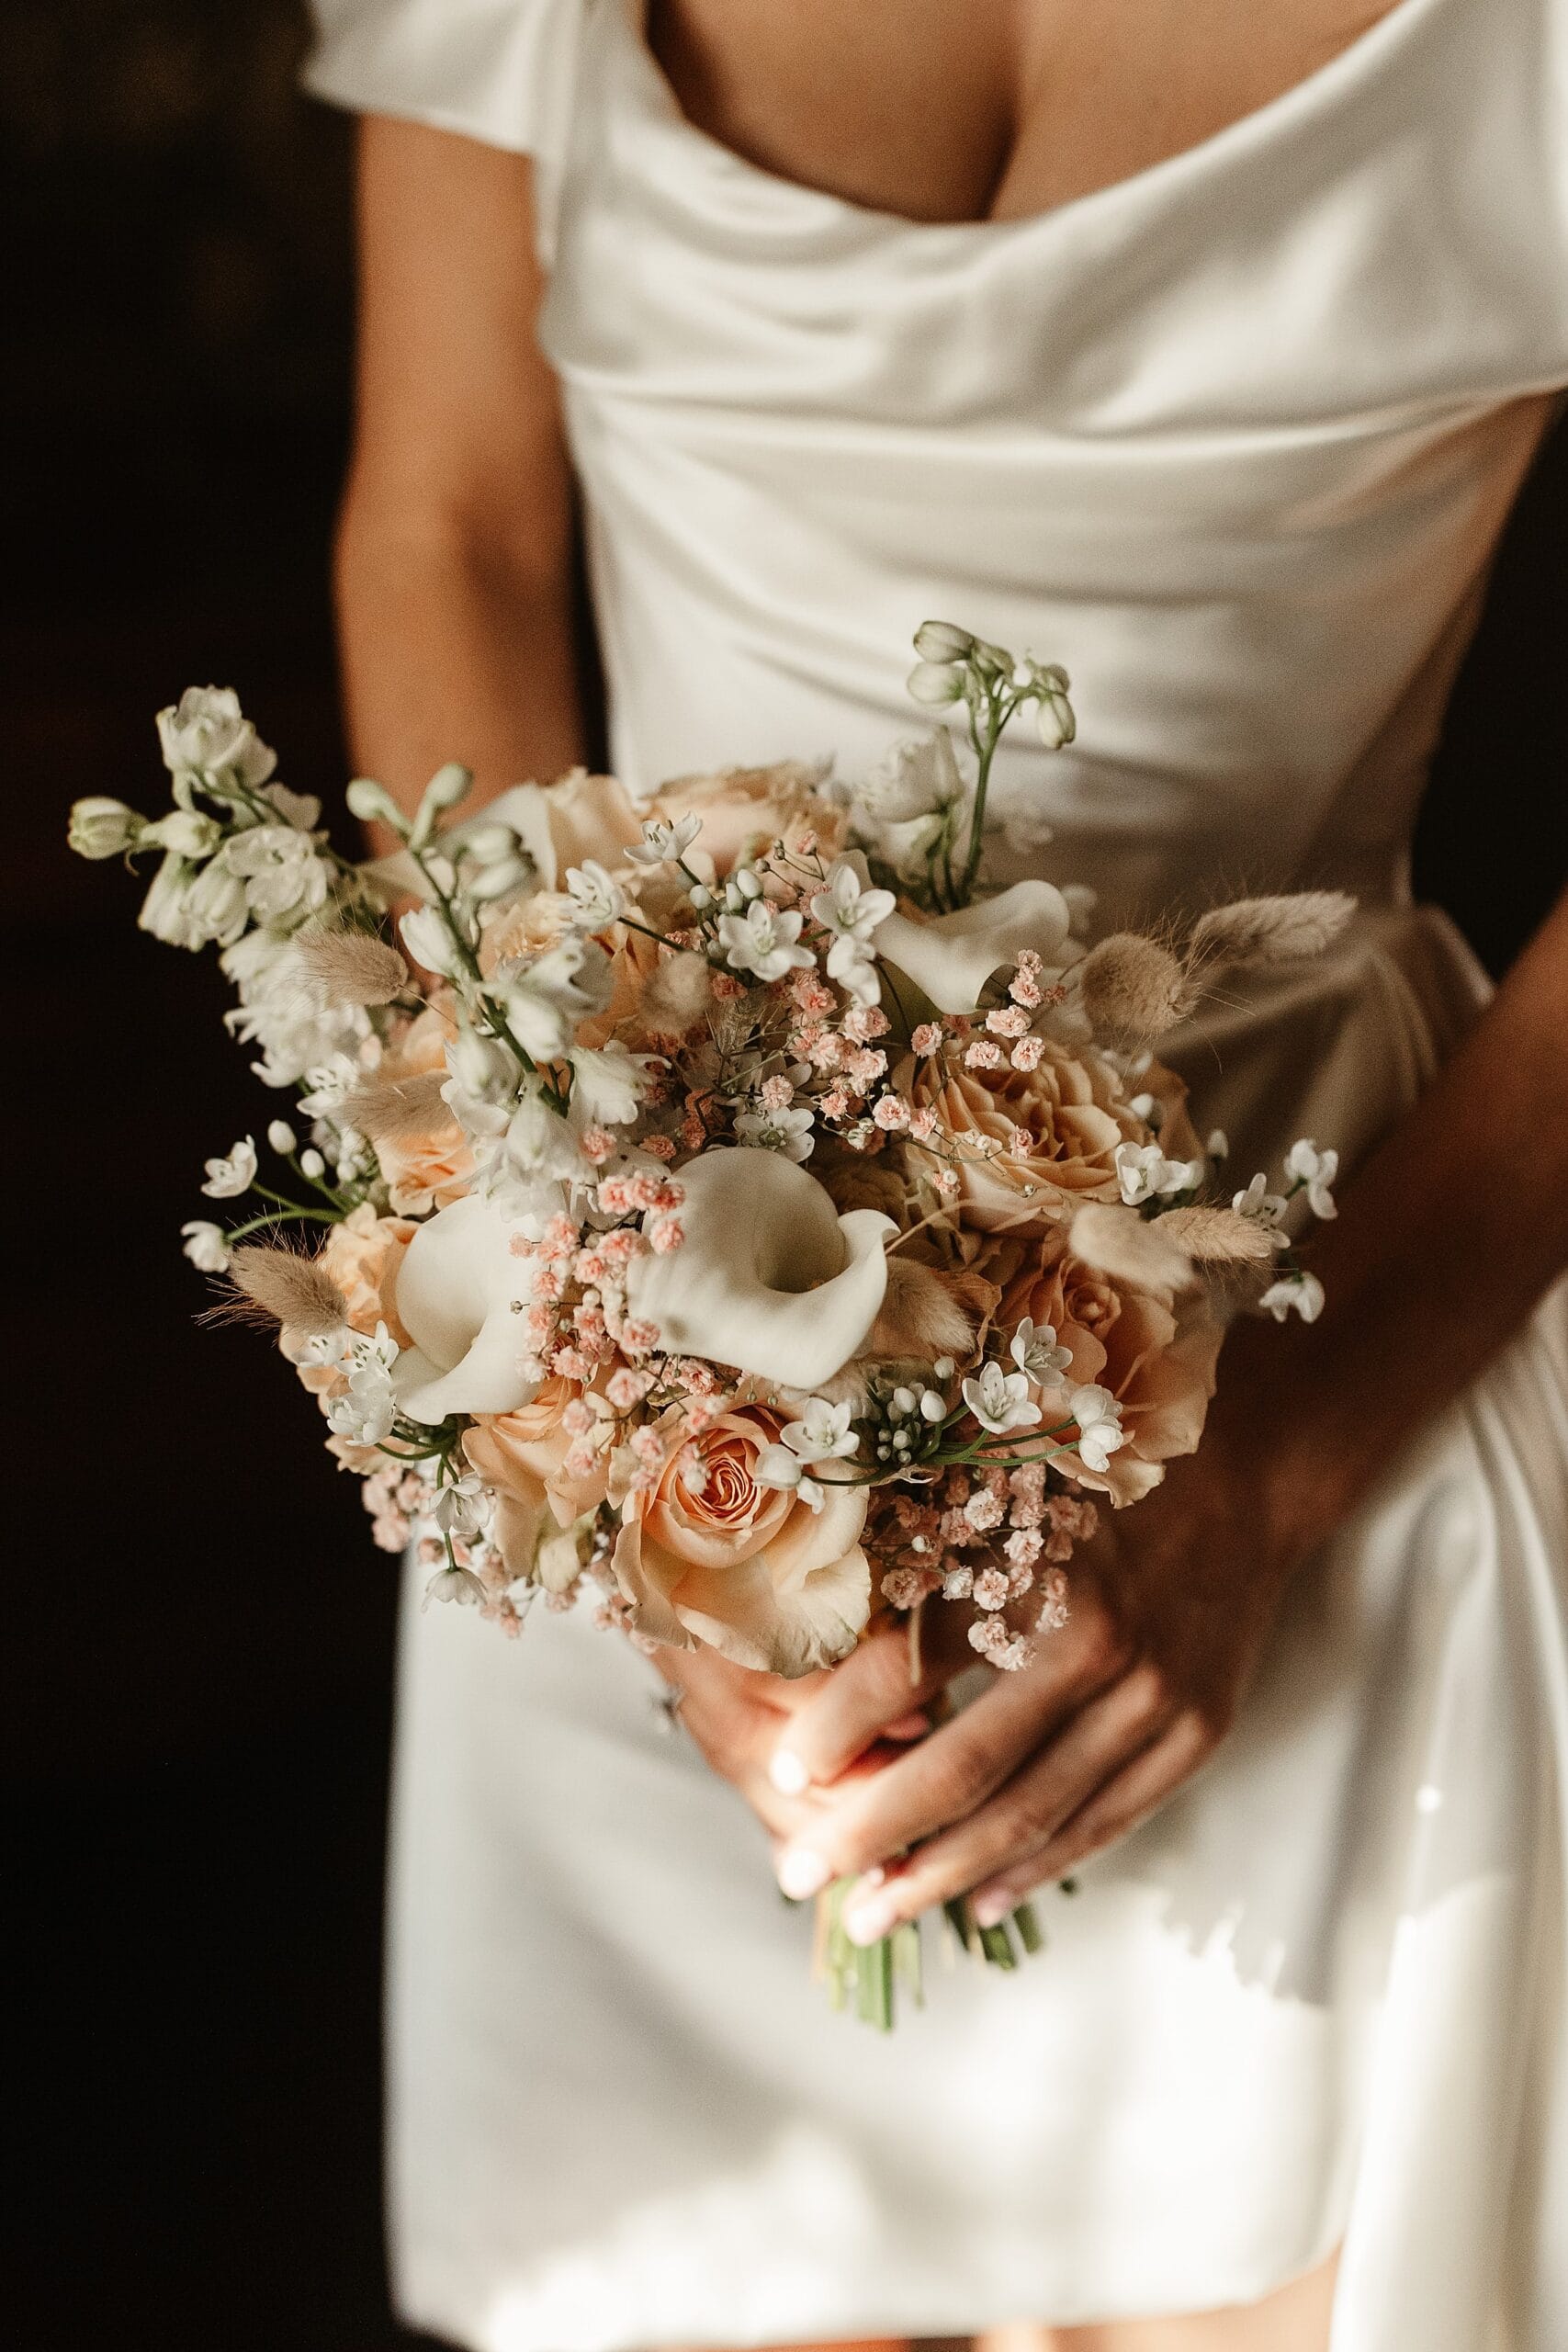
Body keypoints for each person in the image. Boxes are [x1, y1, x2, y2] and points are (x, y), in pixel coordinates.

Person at [305, 4, 1568, 2347]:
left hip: (1304, 1402)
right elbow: (448, 521)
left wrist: (1265, 1480)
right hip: (643, 1433)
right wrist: (574, 1356)